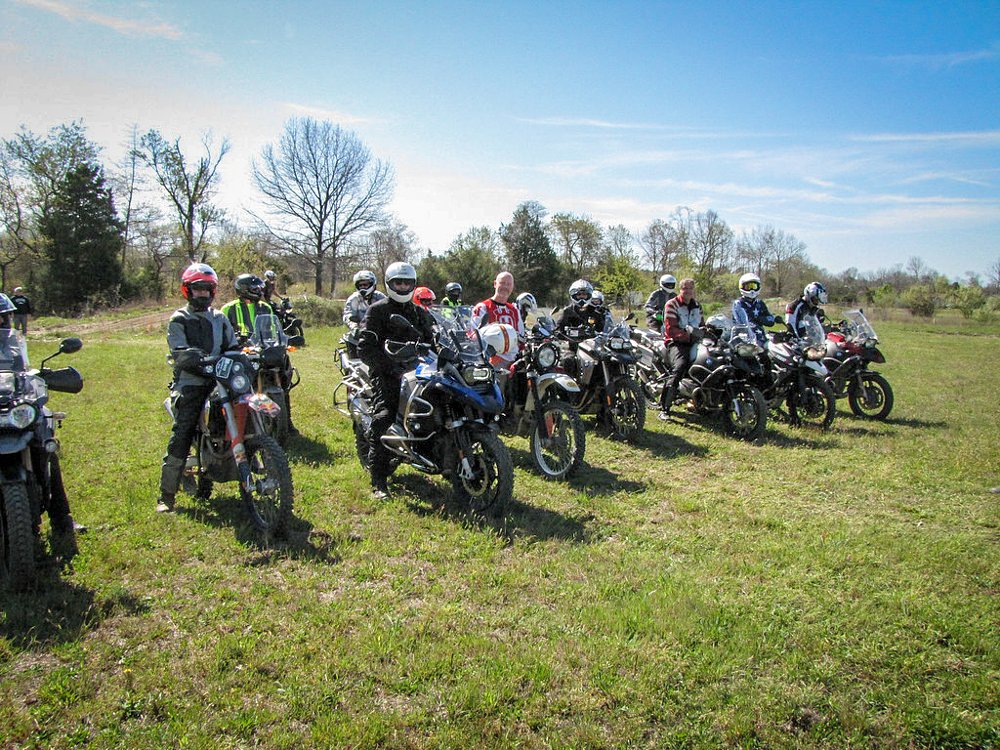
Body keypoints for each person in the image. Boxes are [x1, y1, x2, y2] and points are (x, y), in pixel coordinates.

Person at [157, 264, 241, 513]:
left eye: (206, 289)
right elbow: (179, 351)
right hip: (191, 382)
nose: (202, 293)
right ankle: (167, 496)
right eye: (197, 289)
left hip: (219, 380)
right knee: (182, 431)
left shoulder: (220, 318)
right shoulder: (179, 319)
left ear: (212, 291)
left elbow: (232, 347)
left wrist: (242, 356)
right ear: (188, 290)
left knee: (244, 408)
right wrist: (191, 357)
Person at [0, 293, 80, 534]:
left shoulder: (12, 342)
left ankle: (61, 518)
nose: (2, 322)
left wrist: (38, 376)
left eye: (4, 317)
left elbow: (22, 369)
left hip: (11, 405)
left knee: (46, 443)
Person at [358, 262, 435, 499]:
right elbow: (366, 348)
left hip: (419, 371)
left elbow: (434, 340)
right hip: (387, 372)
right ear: (389, 284)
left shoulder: (420, 312)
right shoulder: (377, 311)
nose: (402, 287)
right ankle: (379, 482)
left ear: (413, 284)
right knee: (385, 417)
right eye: (398, 283)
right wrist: (390, 367)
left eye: (407, 283)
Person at [659, 278, 703, 420]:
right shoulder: (672, 304)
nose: (688, 291)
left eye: (690, 288)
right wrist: (688, 337)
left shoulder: (697, 305)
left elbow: (702, 324)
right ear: (680, 289)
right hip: (676, 342)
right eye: (685, 288)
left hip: (694, 341)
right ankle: (664, 408)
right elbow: (671, 329)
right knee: (680, 366)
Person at [472, 271, 525, 366]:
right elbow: (474, 336)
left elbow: (521, 336)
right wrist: (492, 356)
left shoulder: (515, 310)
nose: (505, 287)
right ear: (495, 284)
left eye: (508, 284)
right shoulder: (482, 307)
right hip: (493, 363)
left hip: (515, 361)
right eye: (502, 283)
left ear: (512, 287)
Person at [220, 274, 273, 341]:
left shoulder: (266, 307)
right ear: (244, 290)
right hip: (238, 347)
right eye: (255, 288)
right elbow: (221, 334)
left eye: (259, 288)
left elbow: (273, 331)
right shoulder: (228, 309)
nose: (259, 291)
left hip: (263, 345)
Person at [732, 272, 778, 346]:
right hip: (744, 338)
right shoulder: (738, 303)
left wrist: (760, 319)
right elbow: (744, 322)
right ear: (742, 287)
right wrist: (757, 320)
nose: (751, 290)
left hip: (761, 336)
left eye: (754, 286)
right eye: (748, 287)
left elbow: (771, 320)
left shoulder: (760, 303)